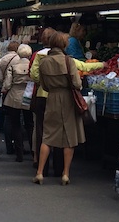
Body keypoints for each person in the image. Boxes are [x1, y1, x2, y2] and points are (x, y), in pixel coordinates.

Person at [33, 32, 85, 186]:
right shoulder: (69, 61)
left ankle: (40, 172)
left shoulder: (44, 62)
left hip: (52, 98)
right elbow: (76, 84)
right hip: (68, 99)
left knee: (47, 135)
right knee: (69, 137)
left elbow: (44, 84)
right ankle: (65, 174)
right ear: (64, 45)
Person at [2, 44, 34, 162]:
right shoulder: (32, 66)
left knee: (16, 125)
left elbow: (7, 84)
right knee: (30, 124)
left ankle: (19, 153)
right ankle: (33, 152)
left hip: (14, 96)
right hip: (28, 95)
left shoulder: (13, 66)